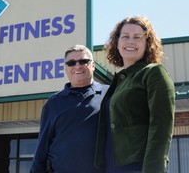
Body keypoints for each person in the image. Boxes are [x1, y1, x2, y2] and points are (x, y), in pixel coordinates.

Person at [94, 16, 175, 173]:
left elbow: (161, 128)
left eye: (137, 37)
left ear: (147, 44)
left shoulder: (154, 73)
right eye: (125, 37)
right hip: (110, 167)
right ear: (117, 43)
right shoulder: (118, 82)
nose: (130, 41)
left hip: (138, 166)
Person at [30, 44, 109, 173]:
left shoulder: (110, 95)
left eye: (83, 61)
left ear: (93, 65)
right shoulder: (54, 103)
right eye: (71, 63)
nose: (77, 66)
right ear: (66, 68)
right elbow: (42, 148)